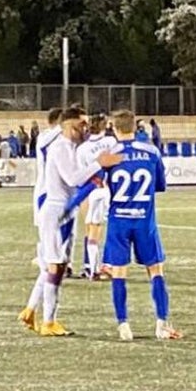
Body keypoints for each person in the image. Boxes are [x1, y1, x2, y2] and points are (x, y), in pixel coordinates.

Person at [33, 106, 122, 337]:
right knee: (54, 265)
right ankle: (48, 322)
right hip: (54, 210)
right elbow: (72, 178)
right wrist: (100, 163)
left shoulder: (72, 147)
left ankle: (35, 313)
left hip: (63, 209)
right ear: (68, 126)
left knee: (57, 265)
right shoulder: (61, 147)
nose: (85, 127)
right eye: (81, 124)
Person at [102, 109, 183, 341]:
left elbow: (99, 181)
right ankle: (161, 324)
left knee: (119, 272)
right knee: (155, 270)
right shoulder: (151, 151)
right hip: (145, 220)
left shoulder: (110, 154)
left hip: (118, 220)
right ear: (135, 128)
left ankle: (124, 326)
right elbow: (160, 186)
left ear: (114, 129)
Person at [19, 108, 62, 332]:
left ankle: (31, 310)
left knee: (50, 264)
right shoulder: (50, 138)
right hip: (50, 202)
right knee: (53, 265)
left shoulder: (51, 139)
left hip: (49, 201)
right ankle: (47, 320)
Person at [76, 114, 119, 280]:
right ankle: (101, 268)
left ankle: (91, 267)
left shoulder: (82, 149)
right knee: (105, 228)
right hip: (107, 189)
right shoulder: (111, 142)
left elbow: (81, 174)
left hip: (91, 190)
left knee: (91, 229)